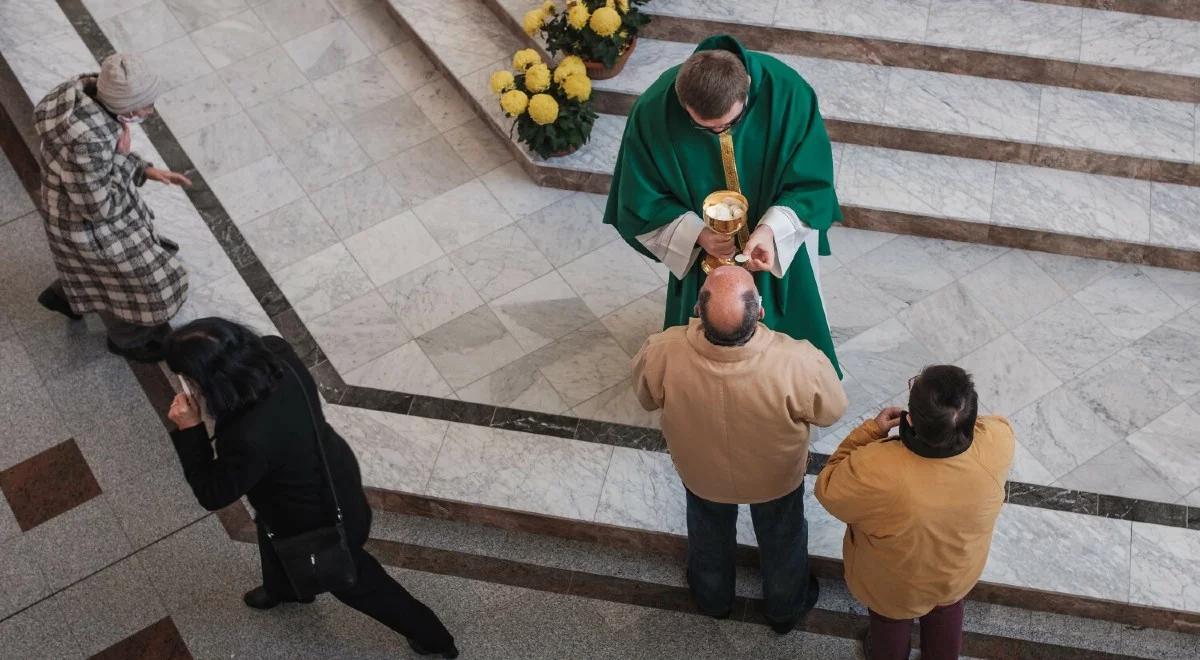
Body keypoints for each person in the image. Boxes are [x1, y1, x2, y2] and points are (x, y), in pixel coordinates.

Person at [163, 318, 459, 659]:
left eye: (188, 378)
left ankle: (434, 637)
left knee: (353, 581)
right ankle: (284, 590)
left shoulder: (249, 437)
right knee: (272, 530)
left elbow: (212, 493)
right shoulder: (275, 353)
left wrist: (191, 430)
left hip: (314, 515)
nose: (187, 386)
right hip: (327, 470)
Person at [604, 34, 841, 376]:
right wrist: (696, 233)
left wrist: (770, 229)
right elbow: (639, 198)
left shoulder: (789, 94)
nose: (719, 134)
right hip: (705, 252)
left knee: (790, 339)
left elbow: (813, 183)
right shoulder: (653, 110)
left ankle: (793, 383)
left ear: (746, 91)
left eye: (728, 125)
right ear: (681, 101)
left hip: (777, 245)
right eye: (704, 128)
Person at [632, 266, 847, 633]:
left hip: (701, 473)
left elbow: (646, 398)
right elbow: (832, 410)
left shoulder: (662, 350)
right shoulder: (798, 360)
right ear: (760, 312)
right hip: (775, 476)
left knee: (707, 533)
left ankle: (713, 599)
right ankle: (785, 608)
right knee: (783, 538)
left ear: (698, 312)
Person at [814, 366, 1014, 660]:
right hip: (955, 571)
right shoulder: (998, 443)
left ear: (909, 420)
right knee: (947, 610)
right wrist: (951, 423)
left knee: (889, 623)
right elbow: (989, 425)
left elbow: (828, 487)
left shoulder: (876, 469)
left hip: (894, 584)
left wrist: (872, 431)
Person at [34, 52, 191, 363]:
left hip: (67, 208)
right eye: (145, 106)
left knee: (91, 270)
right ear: (124, 106)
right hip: (85, 224)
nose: (150, 111)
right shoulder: (91, 140)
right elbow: (98, 207)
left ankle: (64, 297)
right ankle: (128, 339)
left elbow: (94, 164)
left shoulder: (83, 101)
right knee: (141, 280)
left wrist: (143, 168)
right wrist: (123, 155)